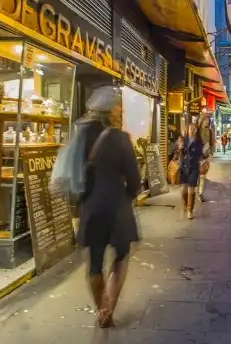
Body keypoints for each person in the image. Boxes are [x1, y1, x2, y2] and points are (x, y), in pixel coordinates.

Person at [75, 86, 141, 328]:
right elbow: (134, 181)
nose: (121, 109)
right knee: (121, 257)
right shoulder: (120, 138)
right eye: (117, 104)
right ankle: (109, 309)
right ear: (108, 109)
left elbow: (73, 174)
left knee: (94, 264)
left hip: (91, 207)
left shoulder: (79, 135)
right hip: (117, 207)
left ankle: (100, 309)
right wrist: (128, 195)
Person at [179, 123, 203, 219]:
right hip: (184, 167)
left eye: (194, 129)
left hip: (194, 167)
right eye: (190, 128)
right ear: (187, 129)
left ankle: (190, 210)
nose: (192, 130)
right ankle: (185, 203)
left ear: (196, 130)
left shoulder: (198, 141)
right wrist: (180, 148)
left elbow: (201, 153)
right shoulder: (183, 140)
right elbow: (178, 149)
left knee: (191, 188)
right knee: (184, 189)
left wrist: (204, 157)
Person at [197, 114, 214, 203]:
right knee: (196, 176)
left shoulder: (210, 131)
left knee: (203, 176)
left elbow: (212, 142)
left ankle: (200, 194)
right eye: (206, 120)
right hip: (196, 156)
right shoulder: (197, 131)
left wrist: (211, 152)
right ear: (201, 120)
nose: (207, 121)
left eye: (208, 120)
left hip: (205, 156)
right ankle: (195, 192)